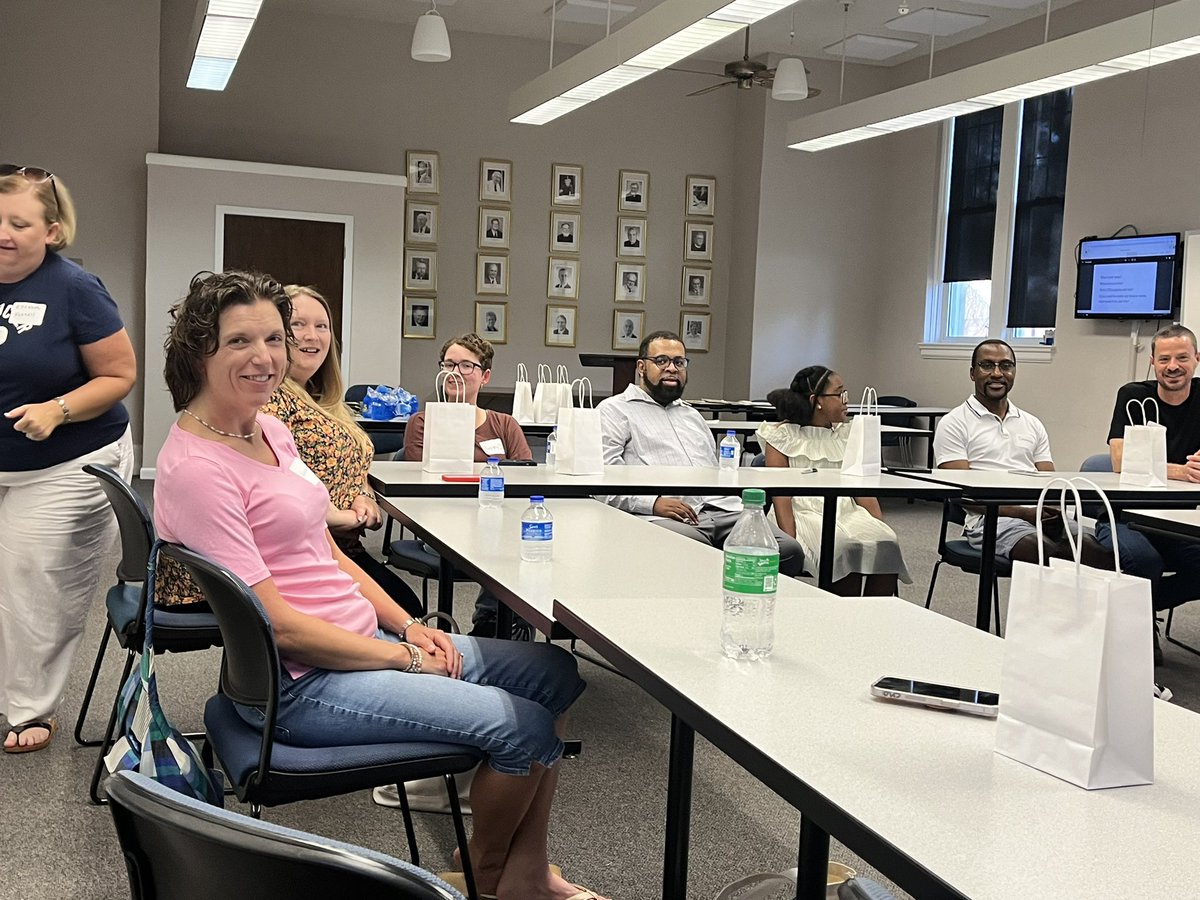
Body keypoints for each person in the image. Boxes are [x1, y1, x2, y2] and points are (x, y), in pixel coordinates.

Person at [155, 273, 603, 900]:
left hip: (358, 642)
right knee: (523, 727)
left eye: (274, 339)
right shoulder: (199, 469)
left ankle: (520, 872)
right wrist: (405, 659)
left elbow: (325, 553)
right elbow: (279, 627)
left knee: (552, 672)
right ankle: (487, 875)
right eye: (239, 342)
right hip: (301, 683)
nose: (266, 357)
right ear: (198, 351)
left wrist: (409, 626)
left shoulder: (267, 430)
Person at [1, 165, 136, 752]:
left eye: (18, 223)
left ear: (52, 231)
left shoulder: (75, 288)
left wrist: (57, 409)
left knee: (33, 583)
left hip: (66, 460)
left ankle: (28, 708)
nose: (2, 234)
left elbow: (119, 375)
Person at [598, 331, 804, 575]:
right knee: (696, 552)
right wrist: (652, 503)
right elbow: (602, 480)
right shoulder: (614, 411)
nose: (672, 368)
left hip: (724, 510)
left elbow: (716, 471)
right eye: (661, 361)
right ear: (641, 367)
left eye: (679, 362)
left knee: (788, 551)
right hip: (667, 515)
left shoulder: (692, 416)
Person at [933, 339, 1110, 566]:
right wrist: (1024, 514)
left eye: (1005, 366)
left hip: (1037, 515)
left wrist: (1053, 511)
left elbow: (1050, 481)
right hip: (989, 519)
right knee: (1044, 551)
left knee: (1096, 552)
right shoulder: (954, 423)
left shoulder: (1032, 423)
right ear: (972, 373)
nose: (997, 373)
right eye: (987, 365)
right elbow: (962, 494)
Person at [404, 333, 534, 637]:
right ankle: (493, 620)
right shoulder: (423, 422)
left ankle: (499, 621)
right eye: (448, 364)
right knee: (507, 545)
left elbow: (526, 477)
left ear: (485, 376)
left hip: (497, 521)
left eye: (466, 365)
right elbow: (418, 484)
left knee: (528, 539)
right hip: (441, 524)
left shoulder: (504, 424)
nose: (455, 372)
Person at [758, 367, 910, 596]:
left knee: (886, 542)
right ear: (817, 400)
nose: (846, 401)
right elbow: (781, 496)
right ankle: (842, 612)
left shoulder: (848, 434)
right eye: (839, 394)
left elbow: (862, 490)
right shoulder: (781, 435)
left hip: (845, 510)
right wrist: (790, 545)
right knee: (842, 547)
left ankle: (874, 614)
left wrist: (880, 526)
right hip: (802, 512)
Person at [1098, 323, 1200, 659]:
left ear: (1197, 359)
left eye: (1182, 358)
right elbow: (1118, 460)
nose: (1173, 366)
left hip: (1179, 519)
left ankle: (1136, 610)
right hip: (1124, 516)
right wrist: (1181, 471)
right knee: (1145, 561)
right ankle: (1137, 624)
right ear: (1153, 362)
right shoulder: (1133, 396)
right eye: (1165, 359)